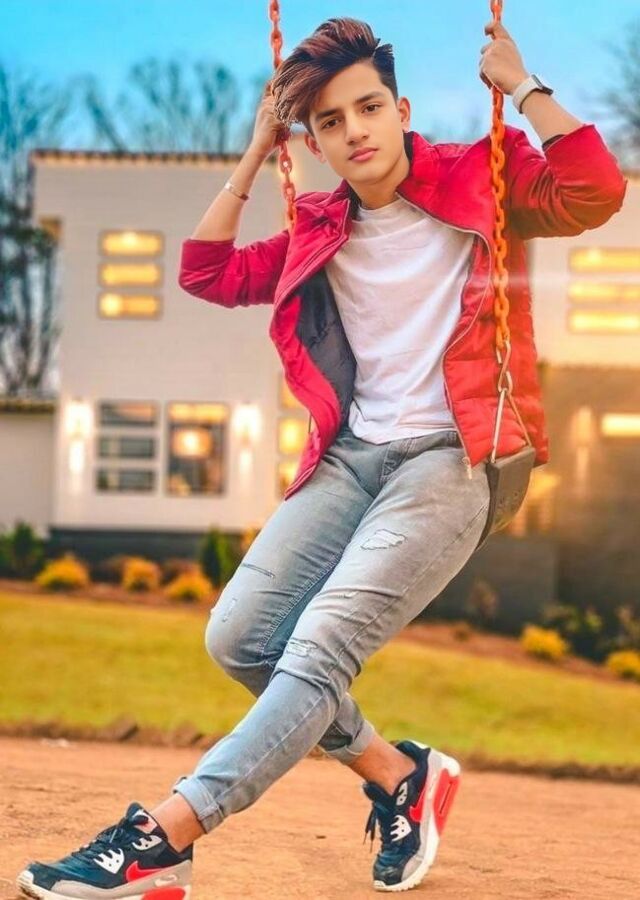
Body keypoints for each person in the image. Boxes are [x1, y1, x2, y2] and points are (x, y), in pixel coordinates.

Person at [17, 15, 626, 899]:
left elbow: (594, 190)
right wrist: (255, 150)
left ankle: (165, 838)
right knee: (238, 638)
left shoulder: (479, 177)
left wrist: (522, 87)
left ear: (401, 109)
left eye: (369, 107)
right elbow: (206, 272)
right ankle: (400, 776)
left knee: (321, 642)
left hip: (455, 458)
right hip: (351, 458)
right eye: (330, 122)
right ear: (315, 142)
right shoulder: (321, 225)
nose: (355, 132)